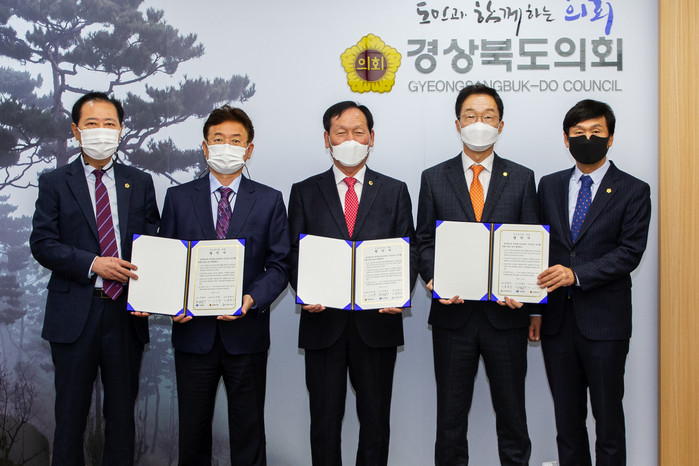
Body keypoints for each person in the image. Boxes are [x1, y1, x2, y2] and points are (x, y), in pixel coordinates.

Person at [30, 92, 160, 465]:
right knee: (70, 416)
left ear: (120, 129)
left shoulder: (140, 181)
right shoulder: (55, 182)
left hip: (125, 315)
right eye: (91, 123)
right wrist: (93, 263)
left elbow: (153, 243)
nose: (101, 131)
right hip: (74, 314)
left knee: (121, 417)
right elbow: (43, 243)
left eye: (109, 123)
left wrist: (153, 293)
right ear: (76, 131)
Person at [159, 105, 289, 466]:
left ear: (249, 149)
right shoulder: (178, 198)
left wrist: (251, 298)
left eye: (236, 140)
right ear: (205, 147)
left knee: (249, 433)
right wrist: (171, 302)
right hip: (193, 335)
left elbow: (280, 264)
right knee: (192, 435)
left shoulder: (269, 200)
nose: (226, 147)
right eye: (218, 139)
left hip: (246, 336)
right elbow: (166, 261)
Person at [288, 101, 417, 466]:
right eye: (340, 132)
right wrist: (304, 290)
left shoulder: (394, 190)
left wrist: (400, 294)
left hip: (377, 323)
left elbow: (408, 249)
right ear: (326, 139)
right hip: (322, 322)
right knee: (324, 423)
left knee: (376, 423)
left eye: (358, 132)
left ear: (371, 137)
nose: (350, 140)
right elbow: (293, 251)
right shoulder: (304, 191)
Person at [416, 83, 539, 465]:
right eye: (471, 116)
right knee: (450, 421)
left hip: (507, 317)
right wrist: (434, 278)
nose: (479, 124)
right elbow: (424, 241)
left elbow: (532, 243)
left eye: (488, 116)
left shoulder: (522, 177)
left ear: (500, 125)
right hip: (453, 317)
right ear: (458, 124)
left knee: (513, 417)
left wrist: (530, 300)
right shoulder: (434, 177)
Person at [537, 99, 651, 466]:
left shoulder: (633, 189)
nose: (587, 139)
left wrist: (577, 275)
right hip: (557, 323)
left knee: (608, 419)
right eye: (579, 133)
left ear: (610, 137)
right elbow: (538, 247)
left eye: (596, 132)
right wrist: (533, 310)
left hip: (605, 323)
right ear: (566, 139)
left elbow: (629, 253)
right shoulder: (549, 186)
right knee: (567, 422)